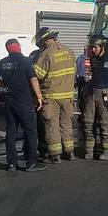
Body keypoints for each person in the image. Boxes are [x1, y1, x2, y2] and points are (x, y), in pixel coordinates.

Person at [0, 39, 46, 172]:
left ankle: (11, 164)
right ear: (18, 47)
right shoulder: (26, 61)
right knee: (30, 132)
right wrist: (39, 97)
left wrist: (3, 85)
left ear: (8, 49)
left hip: (9, 101)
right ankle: (31, 163)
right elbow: (33, 79)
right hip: (25, 101)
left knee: (11, 132)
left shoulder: (3, 62)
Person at [33, 27, 77, 163]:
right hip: (68, 95)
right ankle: (69, 152)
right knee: (66, 123)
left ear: (45, 41)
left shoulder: (46, 54)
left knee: (51, 125)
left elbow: (37, 74)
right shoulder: (69, 51)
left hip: (51, 96)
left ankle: (55, 155)